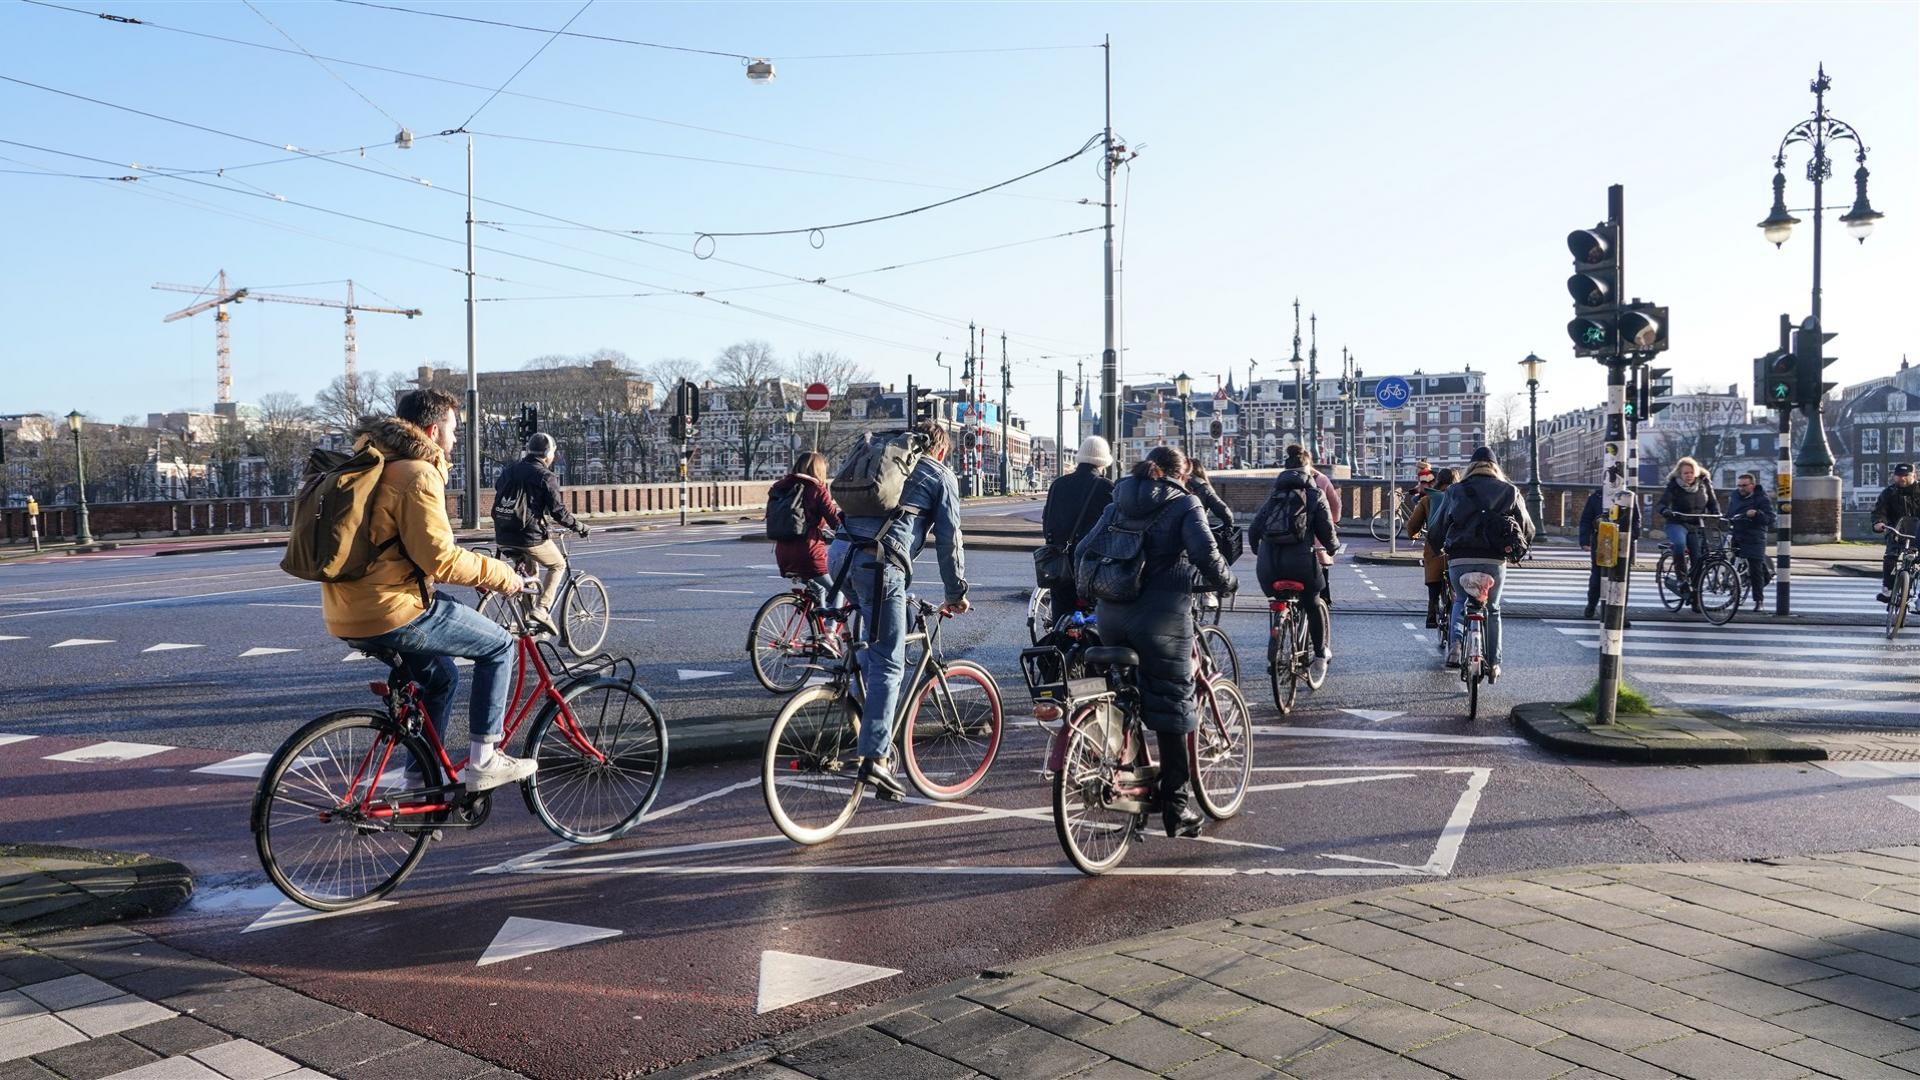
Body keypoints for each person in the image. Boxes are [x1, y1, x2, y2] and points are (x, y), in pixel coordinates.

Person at [323, 388, 537, 792]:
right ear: (432, 430)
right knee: (500, 646)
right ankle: (485, 759)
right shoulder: (417, 474)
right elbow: (439, 558)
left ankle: (421, 777)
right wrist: (504, 576)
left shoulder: (371, 463)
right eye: (453, 432)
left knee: (439, 679)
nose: (455, 440)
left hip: (346, 608)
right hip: (392, 608)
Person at [1081, 445, 1237, 839]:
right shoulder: (1183, 504)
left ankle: (1121, 772)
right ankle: (1177, 810)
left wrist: (1095, 593)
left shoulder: (1118, 499)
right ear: (1180, 475)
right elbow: (1207, 555)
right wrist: (1226, 582)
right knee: (1173, 706)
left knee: (1123, 697)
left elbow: (1085, 549)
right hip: (1162, 620)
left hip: (1111, 617)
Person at [833, 420, 970, 800]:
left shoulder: (886, 459)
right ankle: (875, 758)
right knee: (890, 663)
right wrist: (956, 592)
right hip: (878, 564)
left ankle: (858, 707)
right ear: (942, 449)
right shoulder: (939, 474)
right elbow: (949, 541)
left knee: (876, 635)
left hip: (839, 555)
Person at [1434, 446, 1533, 681]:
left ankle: (1456, 645)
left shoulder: (1456, 491)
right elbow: (1528, 528)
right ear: (1495, 467)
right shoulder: (1510, 491)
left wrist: (1438, 546)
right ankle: (1495, 663)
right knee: (1493, 608)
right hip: (1494, 559)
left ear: (1470, 467)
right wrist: (1518, 551)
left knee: (1460, 599)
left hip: (1460, 558)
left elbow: (1438, 526)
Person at [1251, 445, 1338, 683]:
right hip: (1301, 566)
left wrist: (1258, 551)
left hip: (1268, 568)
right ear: (1307, 471)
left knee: (1278, 602)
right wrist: (1332, 548)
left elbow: (1253, 529)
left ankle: (1276, 649)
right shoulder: (1314, 494)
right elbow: (1327, 531)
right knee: (1314, 601)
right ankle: (1320, 655)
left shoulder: (1274, 496)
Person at [492, 431, 588, 635]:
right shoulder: (546, 475)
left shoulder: (510, 470)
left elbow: (500, 490)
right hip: (528, 537)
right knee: (557, 564)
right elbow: (558, 511)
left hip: (502, 535)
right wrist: (578, 526)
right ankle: (542, 609)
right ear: (548, 454)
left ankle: (528, 621)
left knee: (530, 574)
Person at [1040, 436, 1115, 622]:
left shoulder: (1058, 484)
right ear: (1103, 462)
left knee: (1061, 614)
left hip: (1060, 563)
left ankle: (1058, 645)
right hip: (1093, 565)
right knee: (1096, 615)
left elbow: (1046, 520)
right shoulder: (1106, 487)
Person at [768, 451, 844, 611]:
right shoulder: (817, 490)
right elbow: (835, 522)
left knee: (819, 589)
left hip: (783, 555)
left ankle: (819, 629)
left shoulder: (779, 487)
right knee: (838, 591)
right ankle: (830, 633)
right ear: (819, 470)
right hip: (809, 554)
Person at [1655, 457, 1718, 602]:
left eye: (1691, 472)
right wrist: (1665, 510)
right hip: (1677, 523)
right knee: (1679, 544)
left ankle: (1695, 597)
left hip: (1696, 525)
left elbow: (1713, 503)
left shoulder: (1704, 483)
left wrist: (1716, 513)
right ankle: (1681, 579)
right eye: (1685, 473)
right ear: (1680, 474)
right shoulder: (1674, 486)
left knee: (1698, 559)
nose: (1688, 475)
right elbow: (1661, 504)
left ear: (1696, 472)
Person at [1578, 486, 1640, 621]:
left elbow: (1636, 520)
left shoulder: (1629, 497)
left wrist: (1632, 535)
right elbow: (1586, 519)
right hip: (1601, 540)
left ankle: (1620, 614)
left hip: (1623, 542)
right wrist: (1584, 540)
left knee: (1622, 579)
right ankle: (1592, 604)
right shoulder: (1596, 498)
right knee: (1597, 576)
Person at [1405, 467, 1455, 628]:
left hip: (1435, 546)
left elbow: (1413, 524)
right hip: (1457, 547)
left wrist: (1413, 534)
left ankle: (1432, 614)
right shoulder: (1461, 497)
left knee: (1434, 580)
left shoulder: (1428, 499)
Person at [1723, 472, 1776, 611]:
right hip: (1737, 534)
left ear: (1752, 485)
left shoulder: (1762, 499)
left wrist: (1757, 514)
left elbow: (1770, 519)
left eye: (1744, 485)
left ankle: (1759, 600)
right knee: (1728, 560)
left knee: (1755, 568)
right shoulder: (1734, 496)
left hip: (1754, 537)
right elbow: (1730, 513)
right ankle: (1732, 586)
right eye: (1739, 485)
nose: (1741, 488)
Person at [1871, 463, 1920, 604]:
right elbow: (1879, 511)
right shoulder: (1889, 493)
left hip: (1918, 533)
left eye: (1906, 475)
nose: (1902, 479)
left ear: (1914, 476)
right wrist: (1879, 523)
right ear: (1894, 476)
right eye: (1898, 475)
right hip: (1896, 531)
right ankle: (1888, 589)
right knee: (1890, 558)